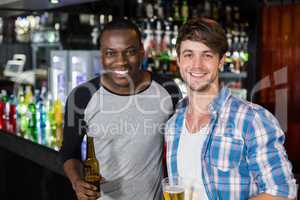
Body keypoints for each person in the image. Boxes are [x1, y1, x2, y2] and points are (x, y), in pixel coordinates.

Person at [164, 17, 297, 200]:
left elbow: (283, 193)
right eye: (188, 54)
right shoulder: (173, 123)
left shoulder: (252, 119)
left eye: (207, 55)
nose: (197, 65)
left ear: (220, 61)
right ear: (178, 60)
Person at [60, 19, 181, 200]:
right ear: (101, 55)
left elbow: (179, 149)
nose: (121, 62)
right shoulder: (82, 97)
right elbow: (69, 153)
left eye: (130, 52)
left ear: (142, 51)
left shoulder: (168, 90)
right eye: (111, 53)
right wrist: (77, 182)